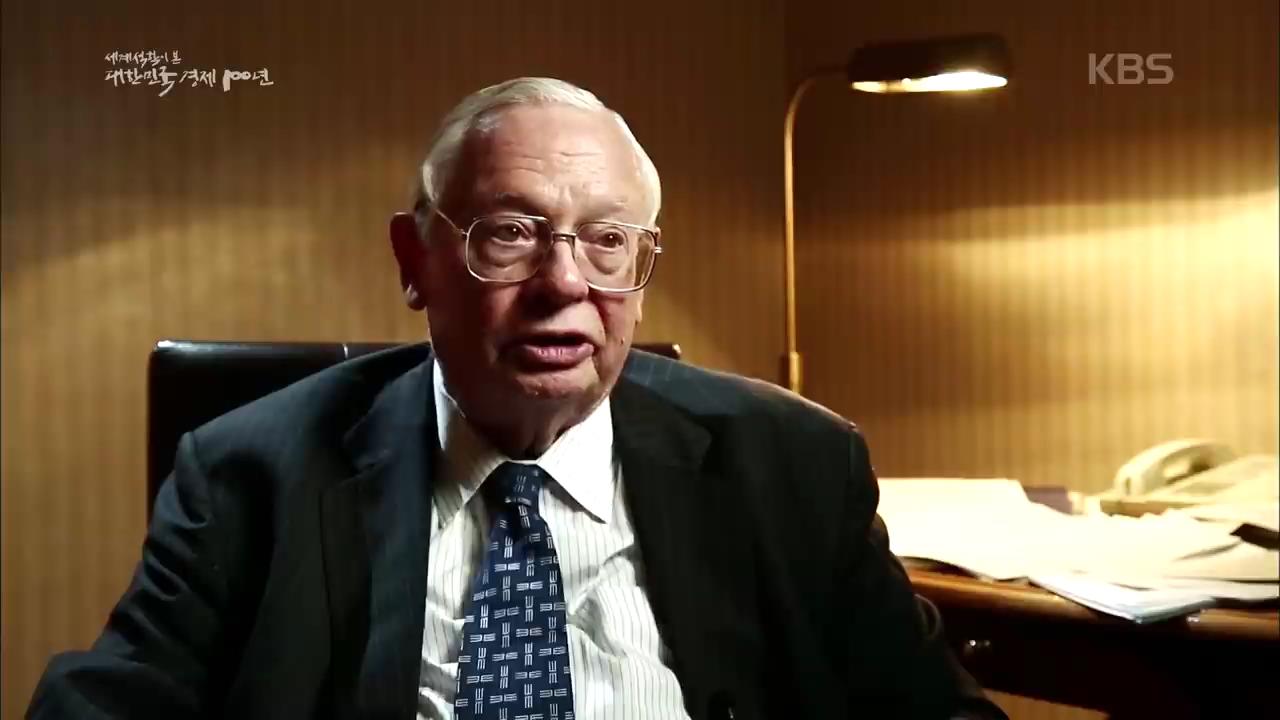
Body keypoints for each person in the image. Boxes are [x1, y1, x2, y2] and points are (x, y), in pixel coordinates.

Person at [29, 77, 1005, 719]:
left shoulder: (792, 465)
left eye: (607, 241)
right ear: (416, 260)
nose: (563, 282)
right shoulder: (254, 473)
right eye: (509, 233)